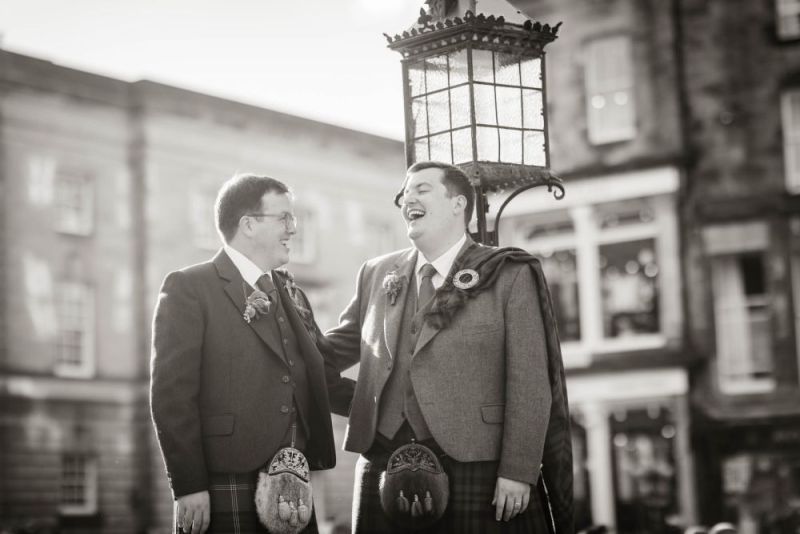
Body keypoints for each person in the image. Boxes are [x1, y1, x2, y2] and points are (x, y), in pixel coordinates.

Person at [321, 161, 573, 533]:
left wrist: (518, 471)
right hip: (383, 464)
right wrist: (366, 409)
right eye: (404, 193)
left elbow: (530, 382)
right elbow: (323, 361)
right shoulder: (376, 273)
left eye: (421, 189)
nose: (408, 198)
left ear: (458, 204)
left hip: (480, 465)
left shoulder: (508, 274)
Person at [150, 174, 354, 534]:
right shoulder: (190, 287)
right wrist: (189, 485)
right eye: (284, 219)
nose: (293, 228)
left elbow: (322, 378)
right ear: (248, 225)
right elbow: (172, 395)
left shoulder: (292, 294)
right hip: (223, 479)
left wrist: (392, 403)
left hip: (294, 482)